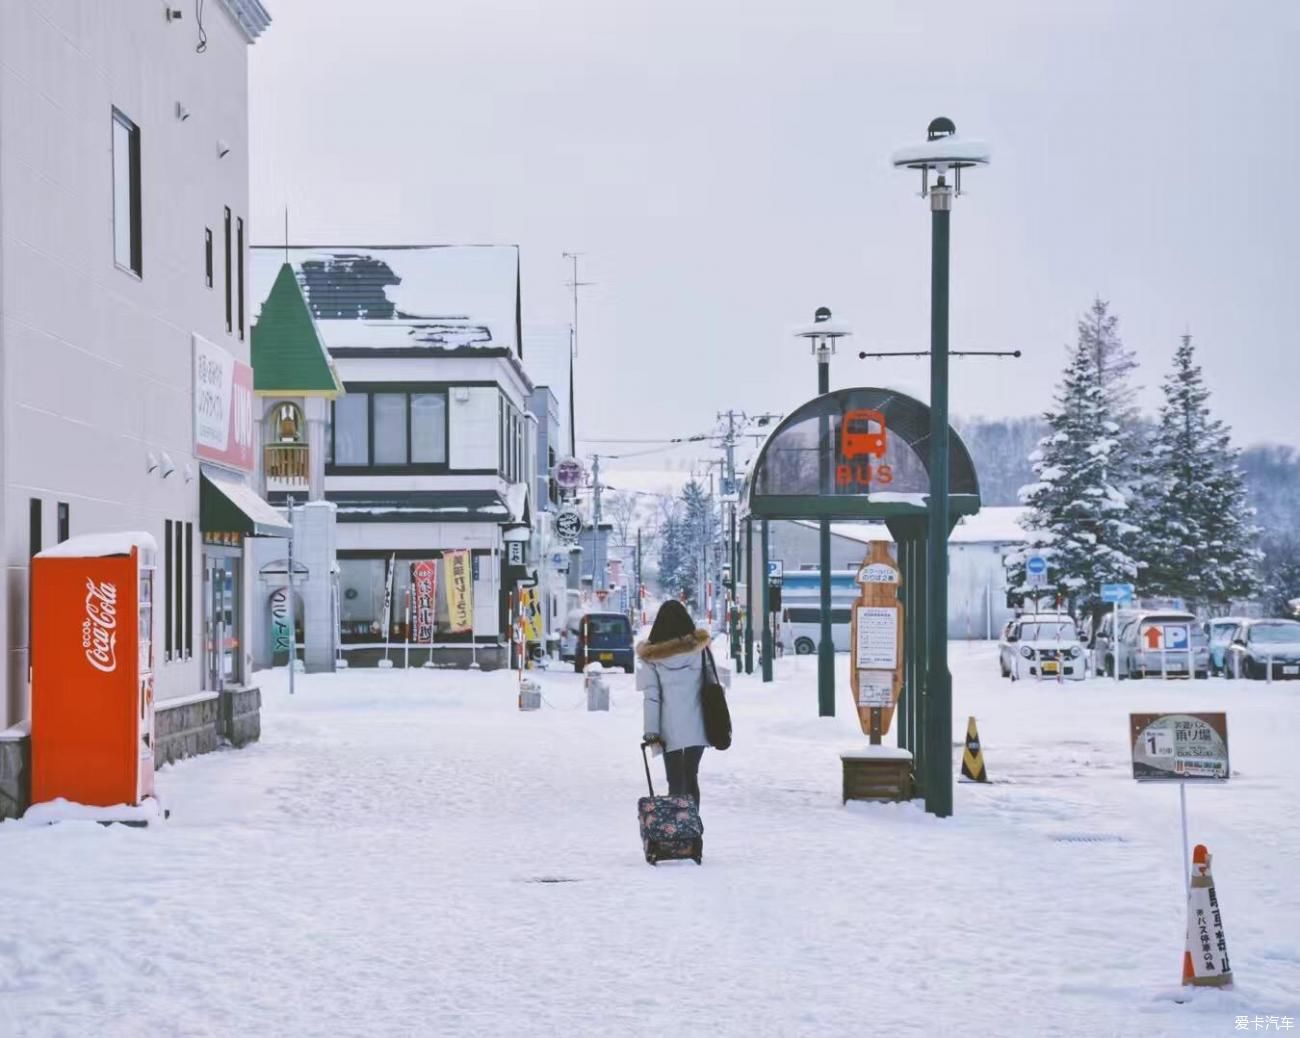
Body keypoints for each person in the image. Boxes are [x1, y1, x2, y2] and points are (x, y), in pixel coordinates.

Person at [637, 600, 712, 802]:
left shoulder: (651, 658)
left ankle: (677, 828)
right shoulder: (700, 650)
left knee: (675, 780)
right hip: (698, 726)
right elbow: (711, 683)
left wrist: (651, 731)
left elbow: (651, 696)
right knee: (691, 776)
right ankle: (691, 828)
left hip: (669, 730)